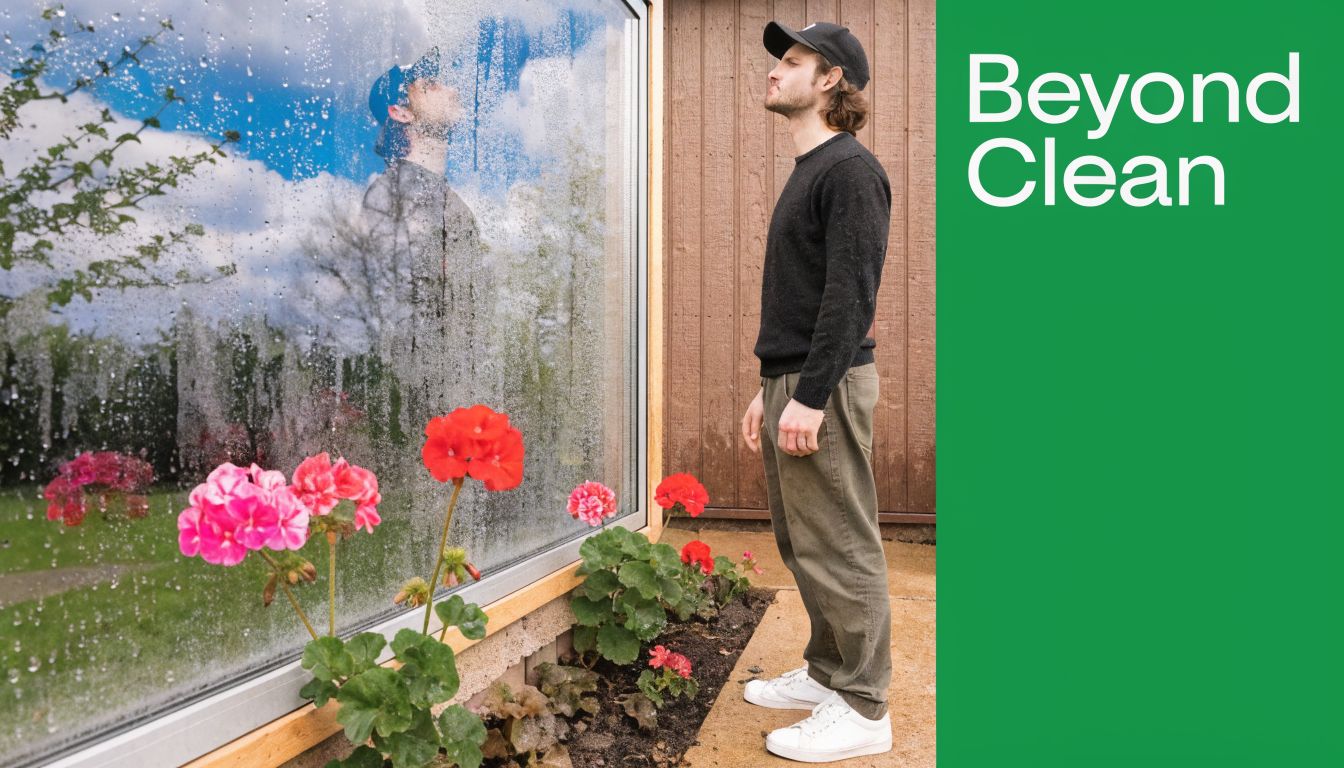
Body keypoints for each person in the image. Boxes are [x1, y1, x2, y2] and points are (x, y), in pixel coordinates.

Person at [739, 20, 893, 763]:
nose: (775, 71)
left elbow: (849, 298)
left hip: (822, 385)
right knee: (804, 544)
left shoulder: (850, 171)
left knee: (841, 544)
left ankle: (864, 708)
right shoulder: (811, 169)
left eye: (792, 62)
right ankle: (830, 675)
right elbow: (801, 298)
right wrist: (771, 385)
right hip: (795, 379)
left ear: (830, 79)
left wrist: (809, 394)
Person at [362, 48, 496, 421]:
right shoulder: (392, 195)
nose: (451, 90)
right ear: (400, 112)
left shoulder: (447, 201)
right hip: (427, 408)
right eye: (431, 85)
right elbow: (401, 316)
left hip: (457, 397)